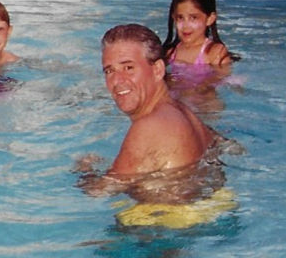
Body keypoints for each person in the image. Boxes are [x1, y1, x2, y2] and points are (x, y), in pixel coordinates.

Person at [75, 23, 220, 198]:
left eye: (128, 67)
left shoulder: (149, 127)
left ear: (158, 70)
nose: (117, 80)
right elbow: (225, 145)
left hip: (167, 222)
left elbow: (99, 191)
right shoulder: (183, 112)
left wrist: (84, 171)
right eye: (109, 71)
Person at [162, 0, 231, 70]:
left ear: (210, 19)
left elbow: (220, 80)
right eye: (180, 18)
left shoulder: (214, 53)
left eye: (193, 18)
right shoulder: (170, 53)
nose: (186, 26)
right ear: (174, 18)